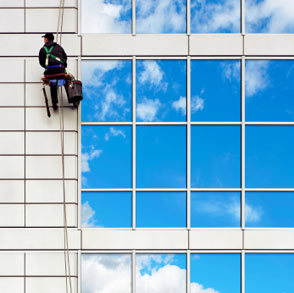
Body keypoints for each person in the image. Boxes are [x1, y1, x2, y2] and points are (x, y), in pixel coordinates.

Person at [39, 33, 68, 110]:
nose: (44, 40)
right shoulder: (59, 47)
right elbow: (65, 57)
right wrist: (63, 65)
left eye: (44, 38)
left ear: (46, 39)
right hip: (60, 70)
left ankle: (54, 103)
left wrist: (48, 67)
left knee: (53, 83)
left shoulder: (43, 50)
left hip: (50, 73)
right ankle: (72, 99)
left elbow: (41, 63)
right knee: (66, 81)